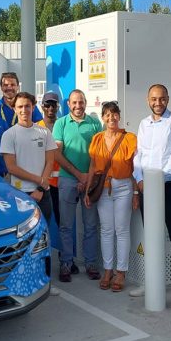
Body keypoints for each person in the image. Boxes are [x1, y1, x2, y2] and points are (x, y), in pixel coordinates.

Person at [131, 84, 171, 307]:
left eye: (162, 99)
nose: (158, 103)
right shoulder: (143, 124)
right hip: (146, 187)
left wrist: (157, 179)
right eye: (153, 99)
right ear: (148, 100)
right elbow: (139, 156)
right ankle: (151, 283)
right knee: (150, 238)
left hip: (169, 187)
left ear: (168, 99)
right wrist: (139, 178)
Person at [85, 101, 138, 292]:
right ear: (103, 117)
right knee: (106, 230)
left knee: (122, 230)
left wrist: (135, 192)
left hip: (123, 186)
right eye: (107, 114)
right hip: (103, 188)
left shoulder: (130, 138)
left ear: (119, 116)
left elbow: (135, 168)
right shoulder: (97, 138)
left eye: (114, 114)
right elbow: (92, 166)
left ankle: (121, 272)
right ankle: (108, 270)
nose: (111, 118)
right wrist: (88, 190)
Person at [53, 89, 103, 282]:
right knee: (66, 225)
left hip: (90, 180)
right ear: (68, 104)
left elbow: (97, 154)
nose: (78, 106)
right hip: (67, 179)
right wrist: (78, 175)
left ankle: (91, 263)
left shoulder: (95, 124)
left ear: (85, 102)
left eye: (81, 102)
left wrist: (87, 178)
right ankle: (66, 263)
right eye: (74, 102)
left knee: (91, 225)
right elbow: (58, 154)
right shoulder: (61, 124)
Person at [0, 92, 56, 225]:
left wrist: (40, 188)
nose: (24, 110)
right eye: (20, 107)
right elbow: (11, 168)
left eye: (27, 106)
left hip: (43, 193)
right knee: (23, 232)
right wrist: (40, 181)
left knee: (44, 231)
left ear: (33, 107)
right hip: (21, 193)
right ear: (14, 109)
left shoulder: (44, 132)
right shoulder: (9, 135)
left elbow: (50, 161)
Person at [37, 92, 62, 225]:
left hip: (60, 182)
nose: (50, 108)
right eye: (47, 105)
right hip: (41, 181)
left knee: (61, 219)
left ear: (58, 107)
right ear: (42, 107)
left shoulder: (63, 125)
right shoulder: (35, 127)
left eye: (53, 105)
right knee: (42, 219)